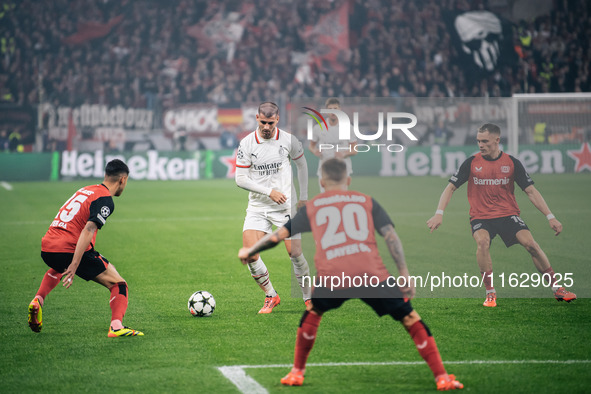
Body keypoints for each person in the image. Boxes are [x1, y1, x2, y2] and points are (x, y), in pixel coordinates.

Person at [238, 158, 464, 390]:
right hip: (371, 274)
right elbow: (391, 237)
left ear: (322, 181)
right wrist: (404, 274)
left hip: (334, 276)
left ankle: (297, 372)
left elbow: (277, 237)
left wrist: (251, 250)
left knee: (313, 313)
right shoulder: (366, 202)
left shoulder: (313, 207)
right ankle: (442, 377)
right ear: (348, 179)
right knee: (410, 318)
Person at [426, 123, 576, 307]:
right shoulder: (471, 162)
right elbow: (450, 188)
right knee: (482, 242)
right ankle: (490, 293)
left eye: (485, 141)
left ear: (497, 140)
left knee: (531, 245)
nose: (480, 145)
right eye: (478, 141)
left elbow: (531, 191)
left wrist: (550, 216)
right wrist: (438, 214)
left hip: (508, 214)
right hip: (480, 216)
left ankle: (557, 289)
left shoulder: (511, 162)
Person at [28, 159, 143, 337]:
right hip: (68, 247)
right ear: (123, 180)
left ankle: (38, 300)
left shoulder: (86, 189)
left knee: (60, 266)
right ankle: (116, 327)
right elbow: (88, 229)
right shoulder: (105, 200)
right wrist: (75, 263)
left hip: (48, 245)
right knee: (119, 284)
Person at [235, 101, 312, 313]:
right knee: (250, 254)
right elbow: (240, 179)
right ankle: (271, 296)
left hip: (285, 207)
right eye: (263, 122)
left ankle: (308, 298)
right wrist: (269, 192)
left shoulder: (288, 140)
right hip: (258, 207)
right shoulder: (247, 143)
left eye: (270, 122)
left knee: (295, 253)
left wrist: (303, 196)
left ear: (277, 119)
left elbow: (302, 164)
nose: (266, 127)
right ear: (257, 119)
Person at [308, 97, 357, 192]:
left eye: (335, 109)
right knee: (324, 199)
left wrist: (344, 154)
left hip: (342, 168)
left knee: (341, 199)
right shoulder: (318, 128)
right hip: (325, 168)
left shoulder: (348, 127)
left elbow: (354, 150)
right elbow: (311, 146)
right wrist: (315, 151)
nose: (333, 112)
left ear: (340, 110)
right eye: (330, 109)